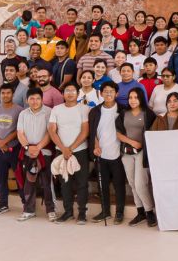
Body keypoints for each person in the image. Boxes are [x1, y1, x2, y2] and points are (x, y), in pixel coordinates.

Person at [48, 83, 90, 224]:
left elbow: (85, 131)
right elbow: (52, 130)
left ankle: (82, 213)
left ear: (78, 93)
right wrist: (63, 148)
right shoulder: (56, 109)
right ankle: (68, 212)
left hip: (80, 151)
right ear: (63, 94)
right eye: (67, 91)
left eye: (73, 91)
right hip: (61, 151)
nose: (70, 93)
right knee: (65, 182)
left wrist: (70, 148)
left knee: (82, 183)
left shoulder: (84, 109)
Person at [116, 87, 157, 227]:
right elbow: (118, 133)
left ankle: (150, 212)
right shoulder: (123, 113)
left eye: (135, 97)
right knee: (132, 183)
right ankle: (140, 212)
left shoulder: (148, 114)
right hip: (126, 152)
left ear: (141, 98)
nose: (132, 100)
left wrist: (142, 145)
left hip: (142, 153)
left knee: (141, 184)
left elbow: (154, 132)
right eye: (130, 97)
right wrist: (131, 142)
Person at [89, 81, 127, 224]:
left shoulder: (123, 110)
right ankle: (105, 211)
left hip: (118, 154)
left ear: (116, 94)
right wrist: (95, 145)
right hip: (101, 153)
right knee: (102, 184)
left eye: (111, 91)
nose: (108, 94)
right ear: (101, 93)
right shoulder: (95, 111)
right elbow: (93, 132)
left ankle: (119, 212)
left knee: (119, 184)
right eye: (105, 91)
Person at [15, 88, 55, 222]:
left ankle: (51, 210)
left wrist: (38, 147)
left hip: (44, 152)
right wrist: (28, 147)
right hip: (28, 152)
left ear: (42, 99)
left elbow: (50, 133)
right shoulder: (23, 114)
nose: (35, 101)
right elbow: (20, 133)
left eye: (38, 98)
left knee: (47, 182)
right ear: (27, 100)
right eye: (31, 98)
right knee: (29, 182)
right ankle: (28, 210)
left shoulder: (49, 112)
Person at [0, 82, 24, 215]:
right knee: (1, 178)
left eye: (8, 93)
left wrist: (5, 142)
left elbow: (18, 130)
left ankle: (26, 204)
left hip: (13, 149)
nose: (5, 95)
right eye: (3, 93)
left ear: (12, 94)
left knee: (20, 177)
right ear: (0, 94)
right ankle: (3, 205)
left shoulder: (19, 110)